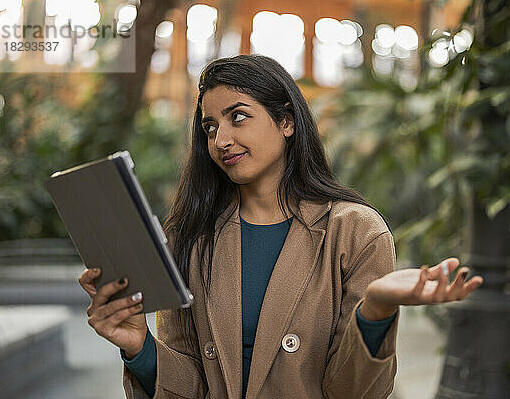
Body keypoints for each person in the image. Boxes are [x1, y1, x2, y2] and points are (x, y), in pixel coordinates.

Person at [78, 54, 483, 399]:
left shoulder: (356, 231)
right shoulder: (192, 237)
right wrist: (139, 347)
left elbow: (352, 392)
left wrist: (374, 310)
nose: (221, 140)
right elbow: (190, 387)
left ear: (286, 122)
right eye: (210, 127)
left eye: (238, 117)